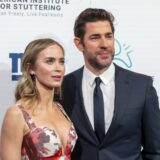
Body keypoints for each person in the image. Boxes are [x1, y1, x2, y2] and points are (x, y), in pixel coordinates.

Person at [61, 8, 160, 160]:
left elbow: (155, 151)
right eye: (95, 38)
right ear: (79, 44)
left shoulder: (142, 86)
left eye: (109, 36)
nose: (104, 44)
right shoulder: (63, 87)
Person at [0, 38, 77, 160]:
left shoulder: (60, 108)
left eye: (61, 61)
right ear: (30, 68)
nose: (58, 68)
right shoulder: (17, 113)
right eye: (49, 61)